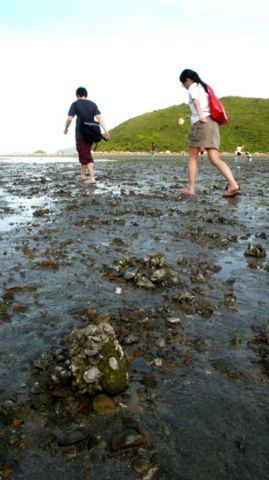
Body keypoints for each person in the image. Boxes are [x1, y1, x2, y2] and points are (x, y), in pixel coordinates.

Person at [179, 69, 240, 197]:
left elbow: (196, 100)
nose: (184, 87)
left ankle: (191, 188)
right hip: (212, 123)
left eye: (183, 83)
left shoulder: (193, 86)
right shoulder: (205, 87)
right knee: (215, 158)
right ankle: (233, 184)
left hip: (202, 123)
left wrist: (200, 116)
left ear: (187, 79)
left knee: (192, 157)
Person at [64, 87, 109, 184]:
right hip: (91, 133)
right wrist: (105, 130)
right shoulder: (93, 104)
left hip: (81, 133)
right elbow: (99, 118)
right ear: (86, 95)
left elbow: (69, 119)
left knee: (85, 154)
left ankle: (92, 178)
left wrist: (66, 128)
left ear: (77, 95)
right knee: (84, 153)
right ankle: (83, 174)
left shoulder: (75, 104)